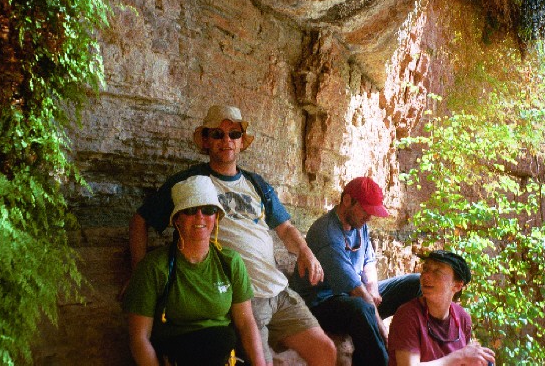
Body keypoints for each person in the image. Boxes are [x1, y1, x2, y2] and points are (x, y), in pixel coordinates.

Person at [128, 105, 336, 366]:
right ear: (205, 140)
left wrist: (306, 252)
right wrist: (137, 272)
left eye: (234, 134)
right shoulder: (191, 184)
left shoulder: (255, 183)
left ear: (241, 142)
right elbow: (140, 220)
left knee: (325, 351)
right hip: (245, 296)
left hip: (278, 289)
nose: (226, 141)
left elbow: (285, 228)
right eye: (217, 134)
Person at [123, 175, 266, 366]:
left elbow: (246, 324)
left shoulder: (230, 262)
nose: (200, 216)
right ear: (177, 220)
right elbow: (139, 338)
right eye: (190, 210)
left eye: (208, 210)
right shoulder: (155, 267)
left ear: (216, 218)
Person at [291, 176, 422, 366]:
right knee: (361, 309)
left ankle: (415, 347)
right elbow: (356, 292)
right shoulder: (326, 234)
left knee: (415, 283)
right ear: (347, 200)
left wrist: (374, 289)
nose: (369, 216)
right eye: (366, 210)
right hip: (321, 303)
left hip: (353, 294)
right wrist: (383, 332)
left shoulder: (359, 224)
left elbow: (368, 260)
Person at [387, 250, 496, 366]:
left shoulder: (462, 317)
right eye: (425, 269)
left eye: (437, 271)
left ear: (457, 285)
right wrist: (459, 357)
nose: (426, 275)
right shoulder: (408, 316)